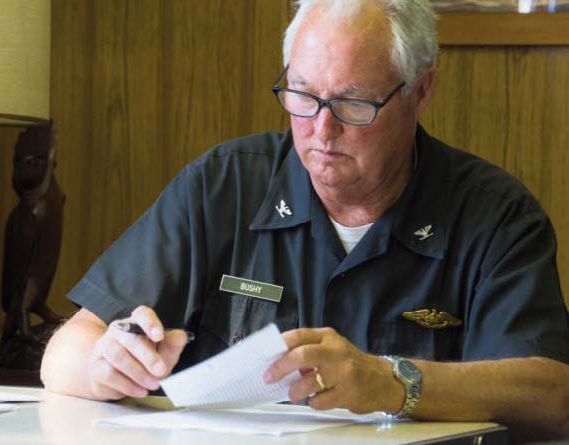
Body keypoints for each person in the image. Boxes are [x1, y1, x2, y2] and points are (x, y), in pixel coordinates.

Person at [41, 0, 569, 439]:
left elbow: (549, 393)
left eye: (353, 104)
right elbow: (66, 351)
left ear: (421, 91)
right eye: (301, 94)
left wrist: (394, 382)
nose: (320, 129)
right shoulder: (223, 185)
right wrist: (104, 364)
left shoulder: (495, 213)